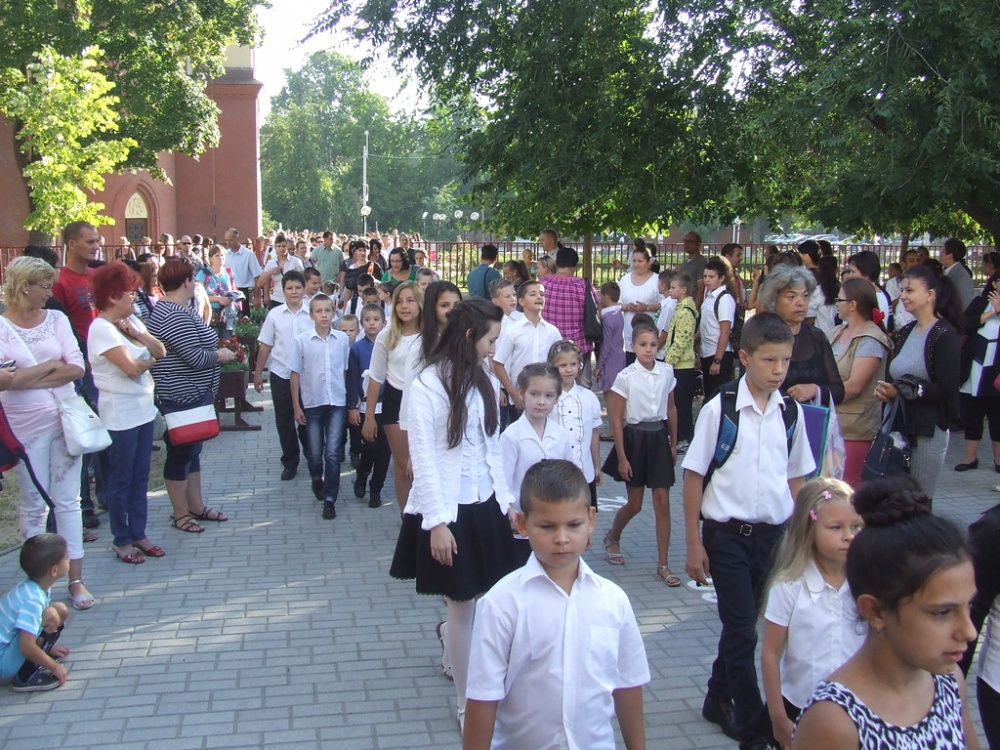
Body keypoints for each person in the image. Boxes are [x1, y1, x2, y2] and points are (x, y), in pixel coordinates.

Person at [683, 312, 815, 750]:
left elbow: (798, 478)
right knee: (742, 630)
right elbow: (693, 476)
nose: (779, 370)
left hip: (773, 539)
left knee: (742, 626)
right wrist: (693, 542)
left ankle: (717, 697)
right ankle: (755, 726)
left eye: (785, 361)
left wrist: (808, 537)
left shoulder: (790, 412)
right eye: (768, 360)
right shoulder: (719, 409)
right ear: (744, 358)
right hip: (726, 537)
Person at [389, 299, 521, 731]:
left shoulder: (485, 378)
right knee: (464, 607)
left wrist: (506, 501)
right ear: (469, 336)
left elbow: (491, 445)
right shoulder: (427, 384)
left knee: (490, 603)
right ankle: (467, 703)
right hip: (448, 509)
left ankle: (463, 654)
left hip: (487, 504)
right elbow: (424, 460)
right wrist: (437, 524)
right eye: (490, 340)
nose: (494, 349)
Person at [463, 460, 649, 750]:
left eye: (573, 525)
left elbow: (628, 684)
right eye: (547, 527)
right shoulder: (501, 604)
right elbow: (483, 697)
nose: (561, 538)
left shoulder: (613, 601)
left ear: (591, 519)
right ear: (523, 524)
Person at [792, 478, 980, 750]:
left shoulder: (949, 682)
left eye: (969, 606)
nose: (970, 631)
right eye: (942, 613)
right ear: (876, 611)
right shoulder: (834, 721)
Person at [0, 257, 93, 610]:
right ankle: (37, 588)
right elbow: (4, 382)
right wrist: (51, 366)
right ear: (24, 286)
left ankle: (76, 579)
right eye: (43, 286)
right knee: (34, 506)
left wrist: (26, 378)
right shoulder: (2, 327)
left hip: (65, 423)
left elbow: (76, 367)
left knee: (69, 502)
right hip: (24, 429)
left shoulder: (56, 319)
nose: (49, 292)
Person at [761, 478, 866, 749]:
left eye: (856, 526)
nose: (848, 536)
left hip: (857, 708)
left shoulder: (866, 584)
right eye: (836, 527)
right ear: (810, 530)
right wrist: (777, 716)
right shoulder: (789, 586)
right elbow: (771, 653)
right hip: (800, 705)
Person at [148, 259, 235, 534]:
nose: (196, 283)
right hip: (181, 395)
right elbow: (194, 357)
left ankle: (196, 506)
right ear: (186, 282)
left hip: (193, 395)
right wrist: (220, 355)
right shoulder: (172, 313)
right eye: (193, 279)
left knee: (192, 451)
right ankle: (180, 513)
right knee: (181, 453)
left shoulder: (179, 308)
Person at [89, 261, 167, 563]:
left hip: (143, 410)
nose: (134, 297)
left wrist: (139, 335)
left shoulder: (131, 321)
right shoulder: (101, 329)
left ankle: (139, 532)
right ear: (112, 296)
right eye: (129, 292)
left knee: (140, 475)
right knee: (121, 478)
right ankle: (121, 539)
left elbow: (160, 350)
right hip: (119, 415)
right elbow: (132, 369)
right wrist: (148, 361)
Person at [874, 264, 963, 498]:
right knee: (893, 499)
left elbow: (947, 389)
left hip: (926, 432)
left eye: (910, 290)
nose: (903, 296)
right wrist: (887, 391)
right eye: (903, 290)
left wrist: (902, 391)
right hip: (898, 425)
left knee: (918, 499)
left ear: (930, 295)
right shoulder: (907, 331)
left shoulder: (943, 334)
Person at [602, 320, 679, 585]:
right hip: (634, 438)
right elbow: (617, 418)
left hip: (658, 437)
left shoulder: (667, 372)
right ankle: (613, 535)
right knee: (635, 504)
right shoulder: (625, 377)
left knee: (663, 501)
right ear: (633, 346)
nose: (648, 350)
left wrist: (673, 444)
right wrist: (622, 457)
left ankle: (663, 563)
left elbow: (671, 409)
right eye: (643, 345)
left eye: (653, 345)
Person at [52, 221, 103, 532]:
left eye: (97, 240)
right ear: (72, 244)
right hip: (81, 366)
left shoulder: (95, 277)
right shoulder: (61, 283)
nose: (96, 246)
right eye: (90, 241)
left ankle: (107, 495)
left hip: (104, 361)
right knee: (83, 435)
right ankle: (84, 505)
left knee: (106, 434)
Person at [499, 363, 573, 563]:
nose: (541, 402)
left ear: (557, 398)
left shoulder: (560, 435)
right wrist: (509, 510)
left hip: (555, 521)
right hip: (521, 522)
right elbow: (502, 480)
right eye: (534, 394)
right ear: (521, 393)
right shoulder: (511, 436)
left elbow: (571, 479)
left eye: (549, 396)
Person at [364, 281, 423, 512]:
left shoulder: (432, 335)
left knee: (422, 464)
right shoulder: (386, 336)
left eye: (410, 300)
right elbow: (375, 377)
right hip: (395, 402)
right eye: (399, 301)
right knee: (402, 464)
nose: (404, 306)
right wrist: (369, 416)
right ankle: (406, 517)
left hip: (425, 402)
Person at [290, 294, 350, 520]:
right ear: (311, 315)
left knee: (332, 452)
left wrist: (350, 400)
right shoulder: (302, 340)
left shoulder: (341, 339)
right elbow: (295, 373)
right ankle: (317, 478)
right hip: (313, 402)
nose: (324, 315)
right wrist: (296, 406)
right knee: (315, 453)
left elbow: (345, 370)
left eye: (328, 310)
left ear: (334, 313)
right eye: (319, 311)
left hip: (337, 402)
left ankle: (330, 499)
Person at [828, 279, 892, 487]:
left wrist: (820, 394)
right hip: (833, 422)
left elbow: (855, 386)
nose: (836, 304)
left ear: (852, 305)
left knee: (849, 488)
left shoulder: (871, 339)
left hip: (855, 428)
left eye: (839, 300)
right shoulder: (838, 331)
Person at [254, 271, 313, 481]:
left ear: (304, 289)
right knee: (284, 420)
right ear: (283, 290)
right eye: (289, 288)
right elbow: (266, 345)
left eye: (298, 287)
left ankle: (312, 454)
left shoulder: (313, 312)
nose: (294, 292)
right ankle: (290, 461)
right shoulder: (275, 315)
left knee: (308, 417)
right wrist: (258, 373)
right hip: (281, 373)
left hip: (307, 376)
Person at [761, 265, 845, 406]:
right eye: (792, 297)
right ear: (774, 299)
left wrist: (815, 390)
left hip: (812, 417)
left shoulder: (817, 337)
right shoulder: (762, 337)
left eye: (805, 296)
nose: (801, 303)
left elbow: (839, 391)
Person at [0, 534, 71, 692]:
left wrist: (47, 649)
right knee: (51, 615)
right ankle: (26, 676)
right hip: (2, 663)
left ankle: (41, 653)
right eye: (67, 557)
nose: (70, 560)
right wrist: (54, 666)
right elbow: (26, 646)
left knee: (59, 610)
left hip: (6, 650)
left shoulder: (33, 587)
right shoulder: (32, 599)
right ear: (54, 570)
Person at [491, 280, 563, 417]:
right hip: (521, 396)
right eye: (533, 294)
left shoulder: (552, 331)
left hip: (546, 395)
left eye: (542, 294)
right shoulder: (513, 331)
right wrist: (513, 394)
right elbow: (498, 363)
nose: (539, 297)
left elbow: (559, 361)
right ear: (522, 301)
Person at [956, 267, 1000, 472]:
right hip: (974, 368)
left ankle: (998, 460)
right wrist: (992, 312)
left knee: (997, 416)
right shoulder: (980, 302)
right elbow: (964, 325)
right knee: (972, 414)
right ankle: (970, 458)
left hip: (996, 373)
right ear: (995, 283)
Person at [548, 340, 602, 507]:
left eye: (573, 364)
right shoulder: (548, 399)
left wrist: (597, 465)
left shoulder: (588, 397)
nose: (569, 369)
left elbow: (594, 433)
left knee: (585, 515)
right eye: (563, 365)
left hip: (584, 473)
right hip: (554, 476)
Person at [348, 303, 390, 508]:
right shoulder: (357, 349)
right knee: (370, 446)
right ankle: (363, 473)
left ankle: (376, 488)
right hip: (366, 406)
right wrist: (352, 405)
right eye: (367, 320)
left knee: (385, 451)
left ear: (384, 322)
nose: (372, 323)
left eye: (376, 319)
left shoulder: (390, 346)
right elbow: (352, 378)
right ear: (361, 323)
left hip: (388, 406)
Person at [538, 247, 600, 384]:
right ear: (575, 266)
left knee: (551, 387)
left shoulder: (542, 284)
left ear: (556, 263)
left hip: (550, 345)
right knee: (580, 387)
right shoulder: (583, 285)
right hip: (578, 346)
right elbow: (597, 308)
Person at [664, 273, 698, 452]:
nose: (670, 290)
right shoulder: (680, 308)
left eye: (673, 287)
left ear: (683, 290)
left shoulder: (685, 312)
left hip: (682, 365)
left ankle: (684, 437)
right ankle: (677, 435)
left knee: (682, 404)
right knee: (676, 402)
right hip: (677, 364)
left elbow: (681, 340)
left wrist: (669, 361)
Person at [700, 257, 738, 400]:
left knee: (717, 396)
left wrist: (717, 360)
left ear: (722, 278)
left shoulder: (724, 299)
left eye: (711, 277)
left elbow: (725, 331)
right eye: (705, 276)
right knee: (709, 394)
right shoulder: (709, 297)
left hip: (719, 353)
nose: (707, 280)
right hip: (707, 352)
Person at [618, 247, 661, 359]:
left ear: (649, 262)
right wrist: (626, 306)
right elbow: (616, 303)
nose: (636, 264)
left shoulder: (657, 280)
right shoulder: (625, 279)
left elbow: (665, 304)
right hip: (630, 332)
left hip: (650, 332)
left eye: (640, 261)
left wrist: (647, 307)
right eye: (634, 261)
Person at [595, 281, 626, 400]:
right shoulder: (618, 314)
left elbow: (606, 344)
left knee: (610, 396)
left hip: (609, 361)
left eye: (600, 295)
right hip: (619, 357)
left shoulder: (607, 318)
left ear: (606, 296)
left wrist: (599, 365)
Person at [258, 233, 306, 309]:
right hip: (277, 297)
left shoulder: (296, 261)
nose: (281, 248)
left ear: (287, 247)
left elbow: (304, 280)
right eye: (279, 246)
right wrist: (270, 272)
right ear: (275, 247)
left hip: (294, 297)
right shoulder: (271, 263)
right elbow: (260, 283)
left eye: (283, 246)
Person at [197, 244, 236, 340]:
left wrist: (230, 298)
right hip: (210, 315)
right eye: (217, 255)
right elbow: (198, 296)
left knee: (227, 344)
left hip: (226, 315)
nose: (220, 258)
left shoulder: (228, 272)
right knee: (211, 343)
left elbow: (233, 291)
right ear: (211, 259)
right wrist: (218, 299)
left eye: (222, 255)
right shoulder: (203, 273)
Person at [223, 228, 261, 315]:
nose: (228, 242)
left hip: (243, 291)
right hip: (228, 291)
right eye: (226, 240)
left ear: (237, 239)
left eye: (230, 240)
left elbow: (257, 276)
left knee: (244, 318)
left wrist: (257, 297)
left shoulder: (248, 254)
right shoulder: (225, 254)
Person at [941, 237, 976, 313]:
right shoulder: (949, 272)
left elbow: (965, 306)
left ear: (950, 256)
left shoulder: (961, 277)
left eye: (942, 251)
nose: (940, 254)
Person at [808, 255, 841, 336]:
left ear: (819, 270)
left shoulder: (816, 292)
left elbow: (809, 318)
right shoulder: (843, 290)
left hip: (821, 336)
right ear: (837, 270)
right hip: (839, 336)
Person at [680, 231, 708, 305]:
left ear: (698, 244)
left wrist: (695, 309)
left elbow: (701, 289)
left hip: (691, 305)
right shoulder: (685, 262)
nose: (686, 244)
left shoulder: (701, 262)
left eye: (690, 241)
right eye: (685, 241)